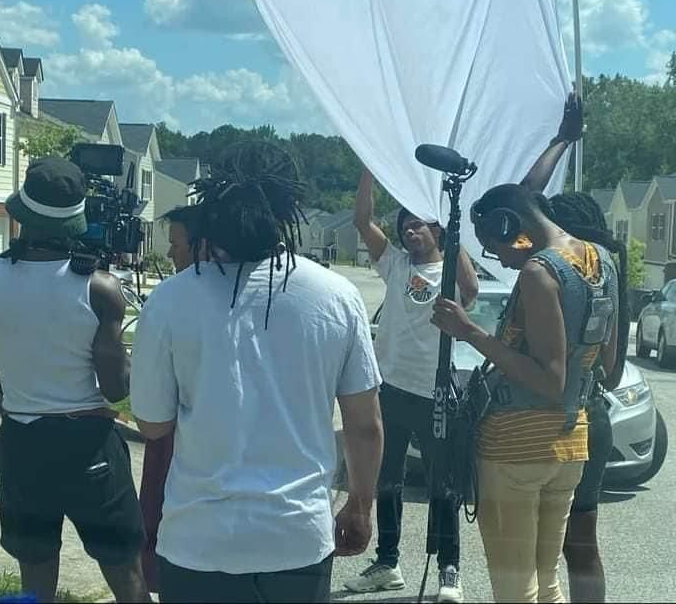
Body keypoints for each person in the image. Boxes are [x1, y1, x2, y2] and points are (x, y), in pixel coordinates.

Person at [130, 141, 384, 604]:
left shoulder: (170, 299)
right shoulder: (338, 296)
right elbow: (364, 426)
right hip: (296, 538)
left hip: (198, 540)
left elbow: (152, 424)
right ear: (289, 210)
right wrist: (361, 505)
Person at [0, 157, 150, 603]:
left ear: (21, 213)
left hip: (21, 441)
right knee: (126, 574)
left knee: (36, 577)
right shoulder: (99, 289)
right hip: (88, 444)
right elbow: (115, 388)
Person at [432, 182, 619, 604]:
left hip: (516, 447)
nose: (498, 258)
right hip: (571, 444)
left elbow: (550, 378)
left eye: (493, 246)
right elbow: (607, 365)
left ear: (508, 226)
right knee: (545, 581)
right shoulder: (602, 260)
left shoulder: (539, 273)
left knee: (515, 590)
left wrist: (469, 331)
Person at [346, 169, 478, 603]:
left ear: (437, 230)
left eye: (419, 223)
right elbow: (362, 221)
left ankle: (449, 568)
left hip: (433, 390)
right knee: (387, 481)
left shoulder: (448, 269)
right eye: (405, 223)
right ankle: (388, 562)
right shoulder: (396, 264)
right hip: (390, 389)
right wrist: (371, 167)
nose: (410, 230)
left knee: (444, 486)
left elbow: (471, 289)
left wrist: (451, 229)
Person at [520, 93, 628, 603]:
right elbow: (613, 370)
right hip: (591, 417)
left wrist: (563, 139)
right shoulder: (609, 270)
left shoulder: (549, 268)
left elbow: (524, 197)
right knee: (581, 547)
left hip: (539, 420)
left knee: (529, 550)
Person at [139, 205, 203, 593]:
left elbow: (151, 419)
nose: (169, 253)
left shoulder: (172, 301)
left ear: (202, 246)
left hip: (177, 443)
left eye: (176, 244)